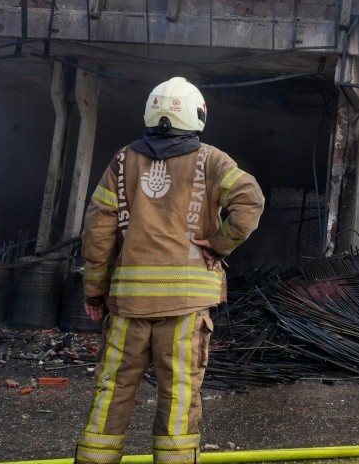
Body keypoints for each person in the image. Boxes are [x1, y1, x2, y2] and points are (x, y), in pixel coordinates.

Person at [75, 77, 265, 464]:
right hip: (186, 306)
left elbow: (97, 229)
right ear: (197, 115)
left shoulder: (122, 161)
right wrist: (219, 242)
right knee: (179, 393)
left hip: (128, 307)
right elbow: (250, 202)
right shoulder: (212, 160)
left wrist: (94, 290)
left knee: (113, 389)